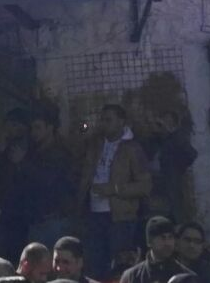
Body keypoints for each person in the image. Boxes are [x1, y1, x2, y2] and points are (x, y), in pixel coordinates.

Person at [79, 106, 151, 280]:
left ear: (121, 122)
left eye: (109, 120)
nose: (104, 124)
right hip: (94, 213)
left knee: (119, 264)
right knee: (95, 263)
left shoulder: (132, 148)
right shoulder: (95, 144)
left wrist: (114, 189)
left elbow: (145, 185)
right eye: (102, 119)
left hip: (120, 216)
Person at [28, 111, 74, 250]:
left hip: (54, 218)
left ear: (50, 128)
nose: (34, 133)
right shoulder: (33, 152)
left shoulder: (60, 154)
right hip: (37, 218)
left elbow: (48, 181)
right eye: (32, 128)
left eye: (38, 127)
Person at [119, 218, 192, 283]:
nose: (168, 243)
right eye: (162, 238)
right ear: (150, 242)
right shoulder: (132, 276)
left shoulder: (187, 277)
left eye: (170, 237)